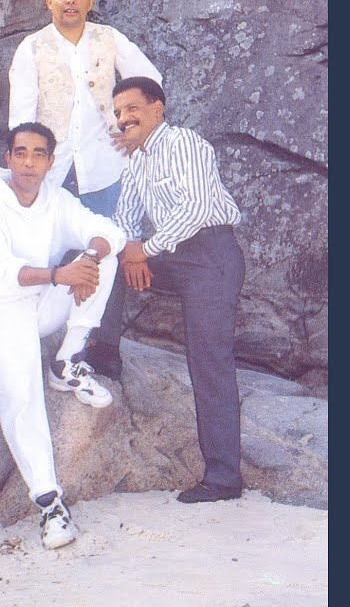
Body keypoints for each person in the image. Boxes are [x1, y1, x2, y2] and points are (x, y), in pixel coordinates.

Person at [0, 123, 125, 550]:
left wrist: (88, 259)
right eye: (21, 153)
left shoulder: (56, 198)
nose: (29, 163)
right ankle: (49, 503)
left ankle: (66, 361)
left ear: (51, 162)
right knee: (21, 395)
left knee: (104, 260)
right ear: (8, 158)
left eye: (38, 154)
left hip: (42, 304)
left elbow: (108, 230)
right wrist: (59, 274)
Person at [6, 0, 162, 379]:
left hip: (104, 168)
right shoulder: (32, 47)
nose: (71, 0)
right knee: (44, 250)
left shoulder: (108, 39)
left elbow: (151, 81)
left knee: (110, 248)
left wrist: (132, 128)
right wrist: (27, 166)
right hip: (53, 170)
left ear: (90, 2)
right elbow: (20, 115)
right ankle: (37, 338)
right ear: (50, 2)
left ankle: (103, 344)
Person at [110, 76, 247, 504]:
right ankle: (103, 354)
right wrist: (128, 251)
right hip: (171, 255)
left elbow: (196, 207)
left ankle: (223, 479)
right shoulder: (135, 160)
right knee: (103, 263)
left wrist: (144, 250)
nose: (123, 118)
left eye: (132, 108)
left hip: (211, 254)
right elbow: (125, 217)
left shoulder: (184, 142)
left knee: (209, 361)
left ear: (158, 109)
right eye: (117, 113)